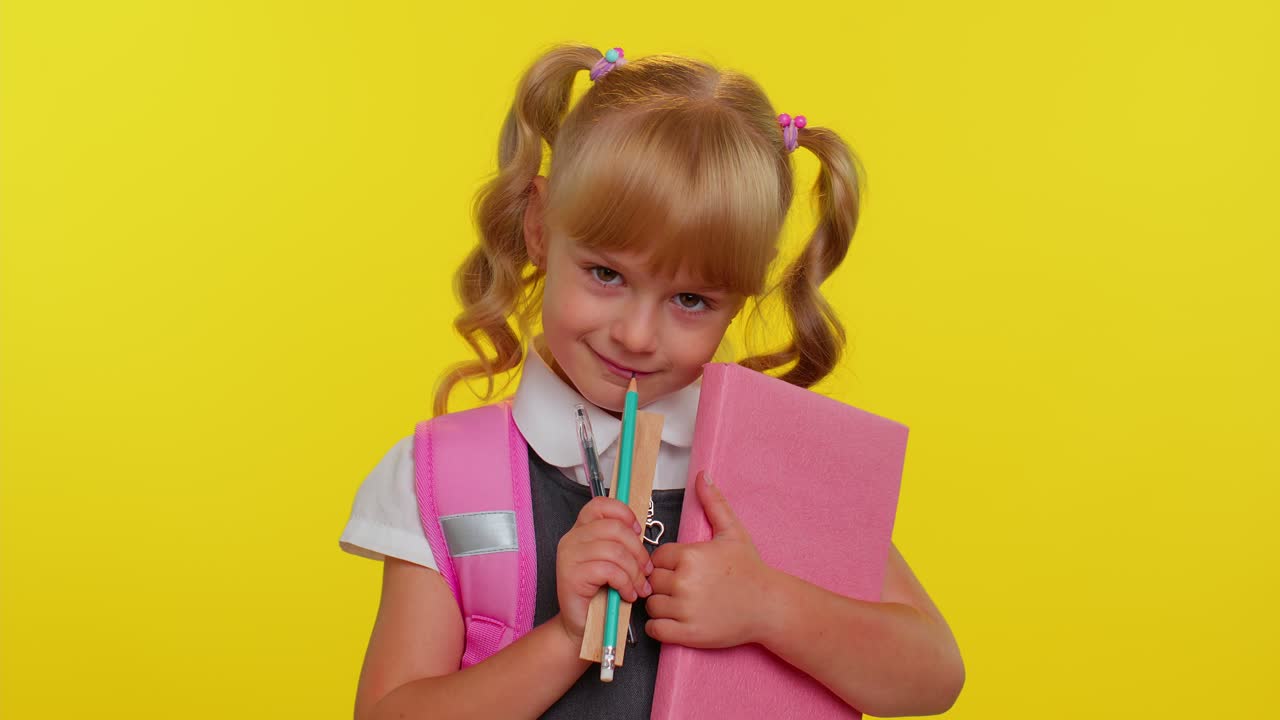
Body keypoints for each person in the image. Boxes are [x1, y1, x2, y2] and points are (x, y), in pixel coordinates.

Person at [339, 43, 964, 719]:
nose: (637, 336)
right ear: (539, 227)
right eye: (607, 274)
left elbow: (932, 676)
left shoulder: (776, 460)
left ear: (744, 293)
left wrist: (768, 605)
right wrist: (566, 638)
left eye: (691, 300)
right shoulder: (445, 477)